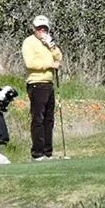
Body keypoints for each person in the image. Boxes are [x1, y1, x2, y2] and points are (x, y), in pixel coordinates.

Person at [21, 14, 62, 161]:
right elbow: (30, 63)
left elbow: (59, 58)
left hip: (49, 84)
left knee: (49, 120)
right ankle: (38, 153)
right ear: (34, 29)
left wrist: (52, 46)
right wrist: (50, 65)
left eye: (44, 28)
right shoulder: (29, 42)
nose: (42, 31)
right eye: (39, 28)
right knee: (38, 118)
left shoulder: (48, 43)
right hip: (36, 84)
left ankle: (48, 152)